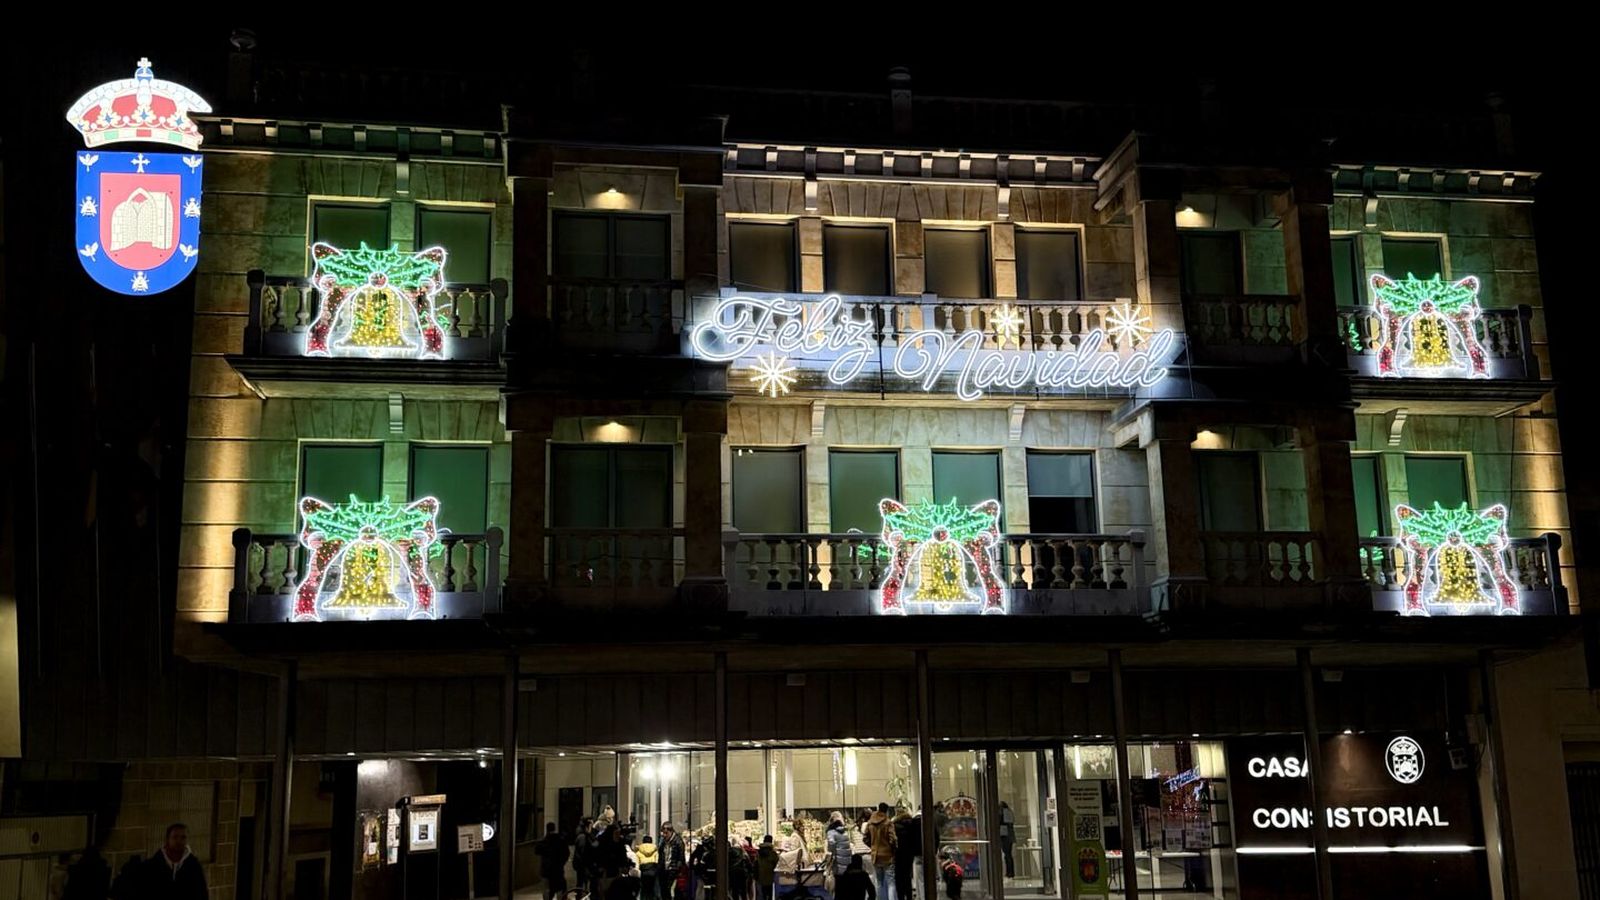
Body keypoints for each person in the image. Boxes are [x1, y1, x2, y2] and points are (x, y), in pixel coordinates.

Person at [143, 824, 207, 900]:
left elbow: (202, 894)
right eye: (175, 837)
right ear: (167, 840)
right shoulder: (154, 865)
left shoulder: (194, 866)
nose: (179, 841)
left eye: (183, 837)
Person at [536, 823, 570, 900]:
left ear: (547, 829)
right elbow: (566, 853)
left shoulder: (544, 841)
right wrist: (562, 863)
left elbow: (537, 850)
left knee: (546, 890)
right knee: (559, 889)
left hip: (546, 871)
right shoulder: (560, 840)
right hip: (557, 870)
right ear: (555, 829)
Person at [891, 810, 919, 900]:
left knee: (899, 877)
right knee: (907, 876)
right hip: (909, 854)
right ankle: (909, 896)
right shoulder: (912, 825)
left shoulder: (894, 826)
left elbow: (892, 841)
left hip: (898, 854)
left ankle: (901, 897)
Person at [660, 823, 687, 900]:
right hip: (665, 870)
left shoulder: (678, 842)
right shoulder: (663, 842)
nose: (664, 835)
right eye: (663, 833)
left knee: (672, 891)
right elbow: (661, 856)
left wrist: (676, 869)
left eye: (666, 833)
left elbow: (681, 858)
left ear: (670, 831)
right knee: (665, 892)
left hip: (673, 871)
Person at [575, 818, 596, 899]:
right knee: (583, 886)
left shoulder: (582, 836)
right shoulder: (584, 838)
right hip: (584, 866)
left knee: (581, 885)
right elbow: (584, 853)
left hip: (582, 866)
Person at [637, 835, 661, 900]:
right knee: (654, 890)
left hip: (643, 872)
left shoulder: (639, 852)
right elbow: (657, 861)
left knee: (644, 891)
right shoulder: (655, 851)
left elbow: (637, 864)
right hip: (653, 871)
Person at [755, 836, 778, 900]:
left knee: (763, 892)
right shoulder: (772, 852)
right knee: (770, 892)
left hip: (761, 873)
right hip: (770, 874)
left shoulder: (759, 852)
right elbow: (776, 862)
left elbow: (756, 862)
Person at [997, 801, 1015, 879]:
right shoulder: (1009, 812)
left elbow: (1001, 823)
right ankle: (1010, 872)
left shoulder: (1004, 813)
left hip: (1005, 836)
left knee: (1007, 855)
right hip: (1009, 836)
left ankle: (1010, 872)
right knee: (1008, 854)